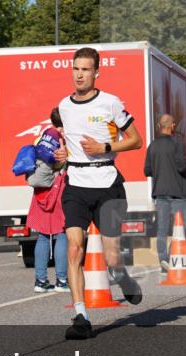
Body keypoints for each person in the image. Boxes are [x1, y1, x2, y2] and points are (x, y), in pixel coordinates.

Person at [54, 47, 143, 340]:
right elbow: (69, 144)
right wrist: (62, 154)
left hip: (107, 183)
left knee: (112, 256)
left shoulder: (110, 103)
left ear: (96, 73)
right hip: (76, 183)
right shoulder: (64, 107)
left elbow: (135, 140)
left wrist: (105, 148)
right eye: (75, 69)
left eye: (85, 70)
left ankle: (121, 276)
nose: (79, 75)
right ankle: (81, 316)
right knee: (74, 246)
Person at [27, 108, 69, 293]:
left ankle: (40, 281)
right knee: (62, 234)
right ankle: (61, 280)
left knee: (43, 236)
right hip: (59, 189)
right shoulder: (64, 140)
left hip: (40, 192)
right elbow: (63, 165)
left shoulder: (41, 139)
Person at [144, 114, 186, 273]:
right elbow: (180, 167)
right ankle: (174, 256)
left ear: (159, 126)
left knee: (162, 229)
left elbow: (147, 170)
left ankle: (163, 260)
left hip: (160, 192)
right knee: (181, 227)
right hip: (177, 192)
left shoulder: (152, 146)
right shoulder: (177, 143)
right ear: (172, 125)